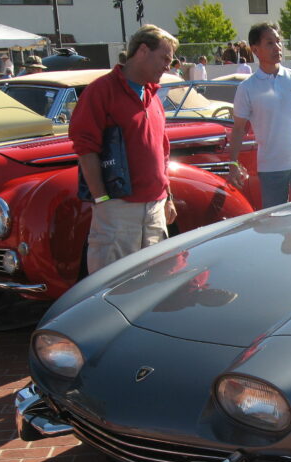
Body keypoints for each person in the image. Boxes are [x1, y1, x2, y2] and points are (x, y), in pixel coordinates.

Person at [68, 24, 178, 274]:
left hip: (154, 209)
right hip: (118, 209)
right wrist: (102, 199)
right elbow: (85, 147)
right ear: (142, 50)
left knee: (153, 284)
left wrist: (167, 197)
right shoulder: (101, 91)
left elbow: (162, 152)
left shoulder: (153, 98)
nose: (167, 66)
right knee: (112, 287)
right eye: (164, 58)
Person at [228, 23, 291, 209]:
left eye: (278, 41)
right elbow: (238, 129)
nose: (277, 47)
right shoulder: (247, 88)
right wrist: (233, 163)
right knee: (275, 222)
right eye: (270, 43)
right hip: (271, 167)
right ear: (255, 49)